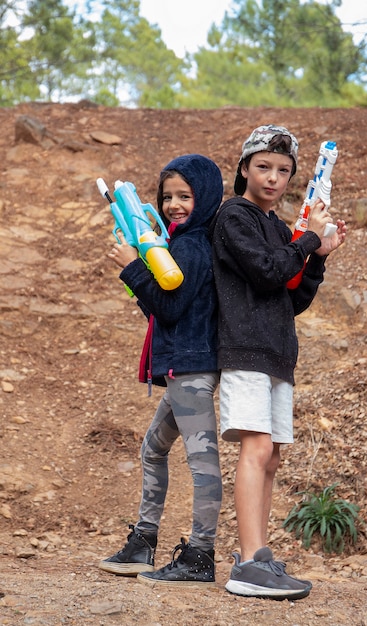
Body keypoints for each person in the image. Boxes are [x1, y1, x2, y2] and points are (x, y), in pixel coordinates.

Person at [210, 125, 347, 599]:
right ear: (244, 168)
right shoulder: (234, 217)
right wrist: (307, 239)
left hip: (277, 353)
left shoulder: (276, 227)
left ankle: (261, 557)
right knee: (258, 447)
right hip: (245, 348)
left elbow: (292, 296)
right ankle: (247, 563)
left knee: (272, 457)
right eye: (263, 167)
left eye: (283, 171)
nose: (273, 178)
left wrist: (319, 256)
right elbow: (268, 271)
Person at [99, 154, 224, 586]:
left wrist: (131, 266)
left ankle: (201, 556)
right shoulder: (179, 244)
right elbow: (162, 308)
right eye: (167, 196)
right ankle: (144, 543)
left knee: (202, 463)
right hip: (179, 368)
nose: (173, 204)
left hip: (191, 369)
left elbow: (169, 308)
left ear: (204, 196)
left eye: (184, 195)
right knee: (153, 448)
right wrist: (142, 271)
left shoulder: (192, 245)